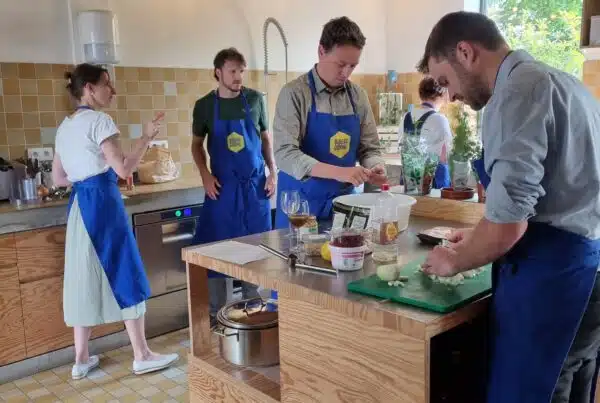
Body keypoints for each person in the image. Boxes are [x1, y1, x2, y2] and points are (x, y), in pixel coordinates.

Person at [417, 11, 600, 403]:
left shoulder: (517, 92)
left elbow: (508, 226)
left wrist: (455, 260)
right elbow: (551, 197)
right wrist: (478, 235)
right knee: (573, 389)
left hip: (554, 283)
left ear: (465, 52)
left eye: (445, 81)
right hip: (587, 273)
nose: (450, 95)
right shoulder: (566, 83)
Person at [52, 63, 179, 380]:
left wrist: (85, 175)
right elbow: (123, 169)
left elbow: (59, 178)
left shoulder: (64, 127)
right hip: (104, 205)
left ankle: (81, 359)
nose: (113, 90)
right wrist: (146, 137)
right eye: (107, 84)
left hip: (79, 208)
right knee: (126, 269)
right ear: (89, 89)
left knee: (82, 279)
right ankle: (142, 355)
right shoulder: (100, 121)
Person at [272, 16, 387, 228]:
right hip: (300, 209)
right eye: (341, 64)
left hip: (343, 210)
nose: (346, 73)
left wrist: (375, 165)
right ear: (321, 51)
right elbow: (285, 153)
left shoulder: (358, 96)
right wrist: (340, 173)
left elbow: (369, 148)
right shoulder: (294, 94)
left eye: (353, 66)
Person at [191, 48, 276, 320]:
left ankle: (254, 315)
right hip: (223, 190)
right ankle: (217, 317)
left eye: (241, 71)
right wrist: (205, 175)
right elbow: (196, 145)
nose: (238, 76)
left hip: (254, 189)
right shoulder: (204, 106)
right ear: (218, 73)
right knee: (218, 252)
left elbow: (265, 140)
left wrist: (273, 172)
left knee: (255, 254)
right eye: (232, 71)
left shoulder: (255, 100)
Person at [401, 77, 452, 189]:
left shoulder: (406, 117)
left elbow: (402, 146)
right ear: (441, 95)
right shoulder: (439, 119)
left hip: (409, 177)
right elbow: (447, 154)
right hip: (433, 179)